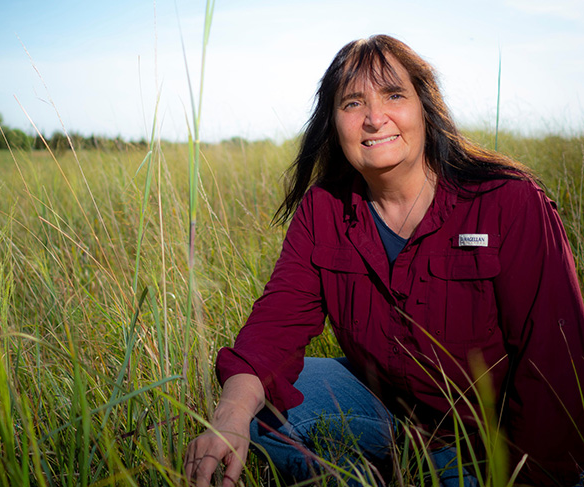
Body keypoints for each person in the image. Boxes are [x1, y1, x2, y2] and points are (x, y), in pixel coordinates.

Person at [184, 35, 584, 486]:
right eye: (353, 103)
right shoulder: (324, 209)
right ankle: (362, 475)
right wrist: (230, 418)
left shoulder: (508, 200)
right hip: (391, 410)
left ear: (424, 107)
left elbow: (554, 362)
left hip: (492, 440)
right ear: (333, 122)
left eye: (394, 95)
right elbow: (277, 322)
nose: (375, 119)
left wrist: (529, 476)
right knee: (257, 406)